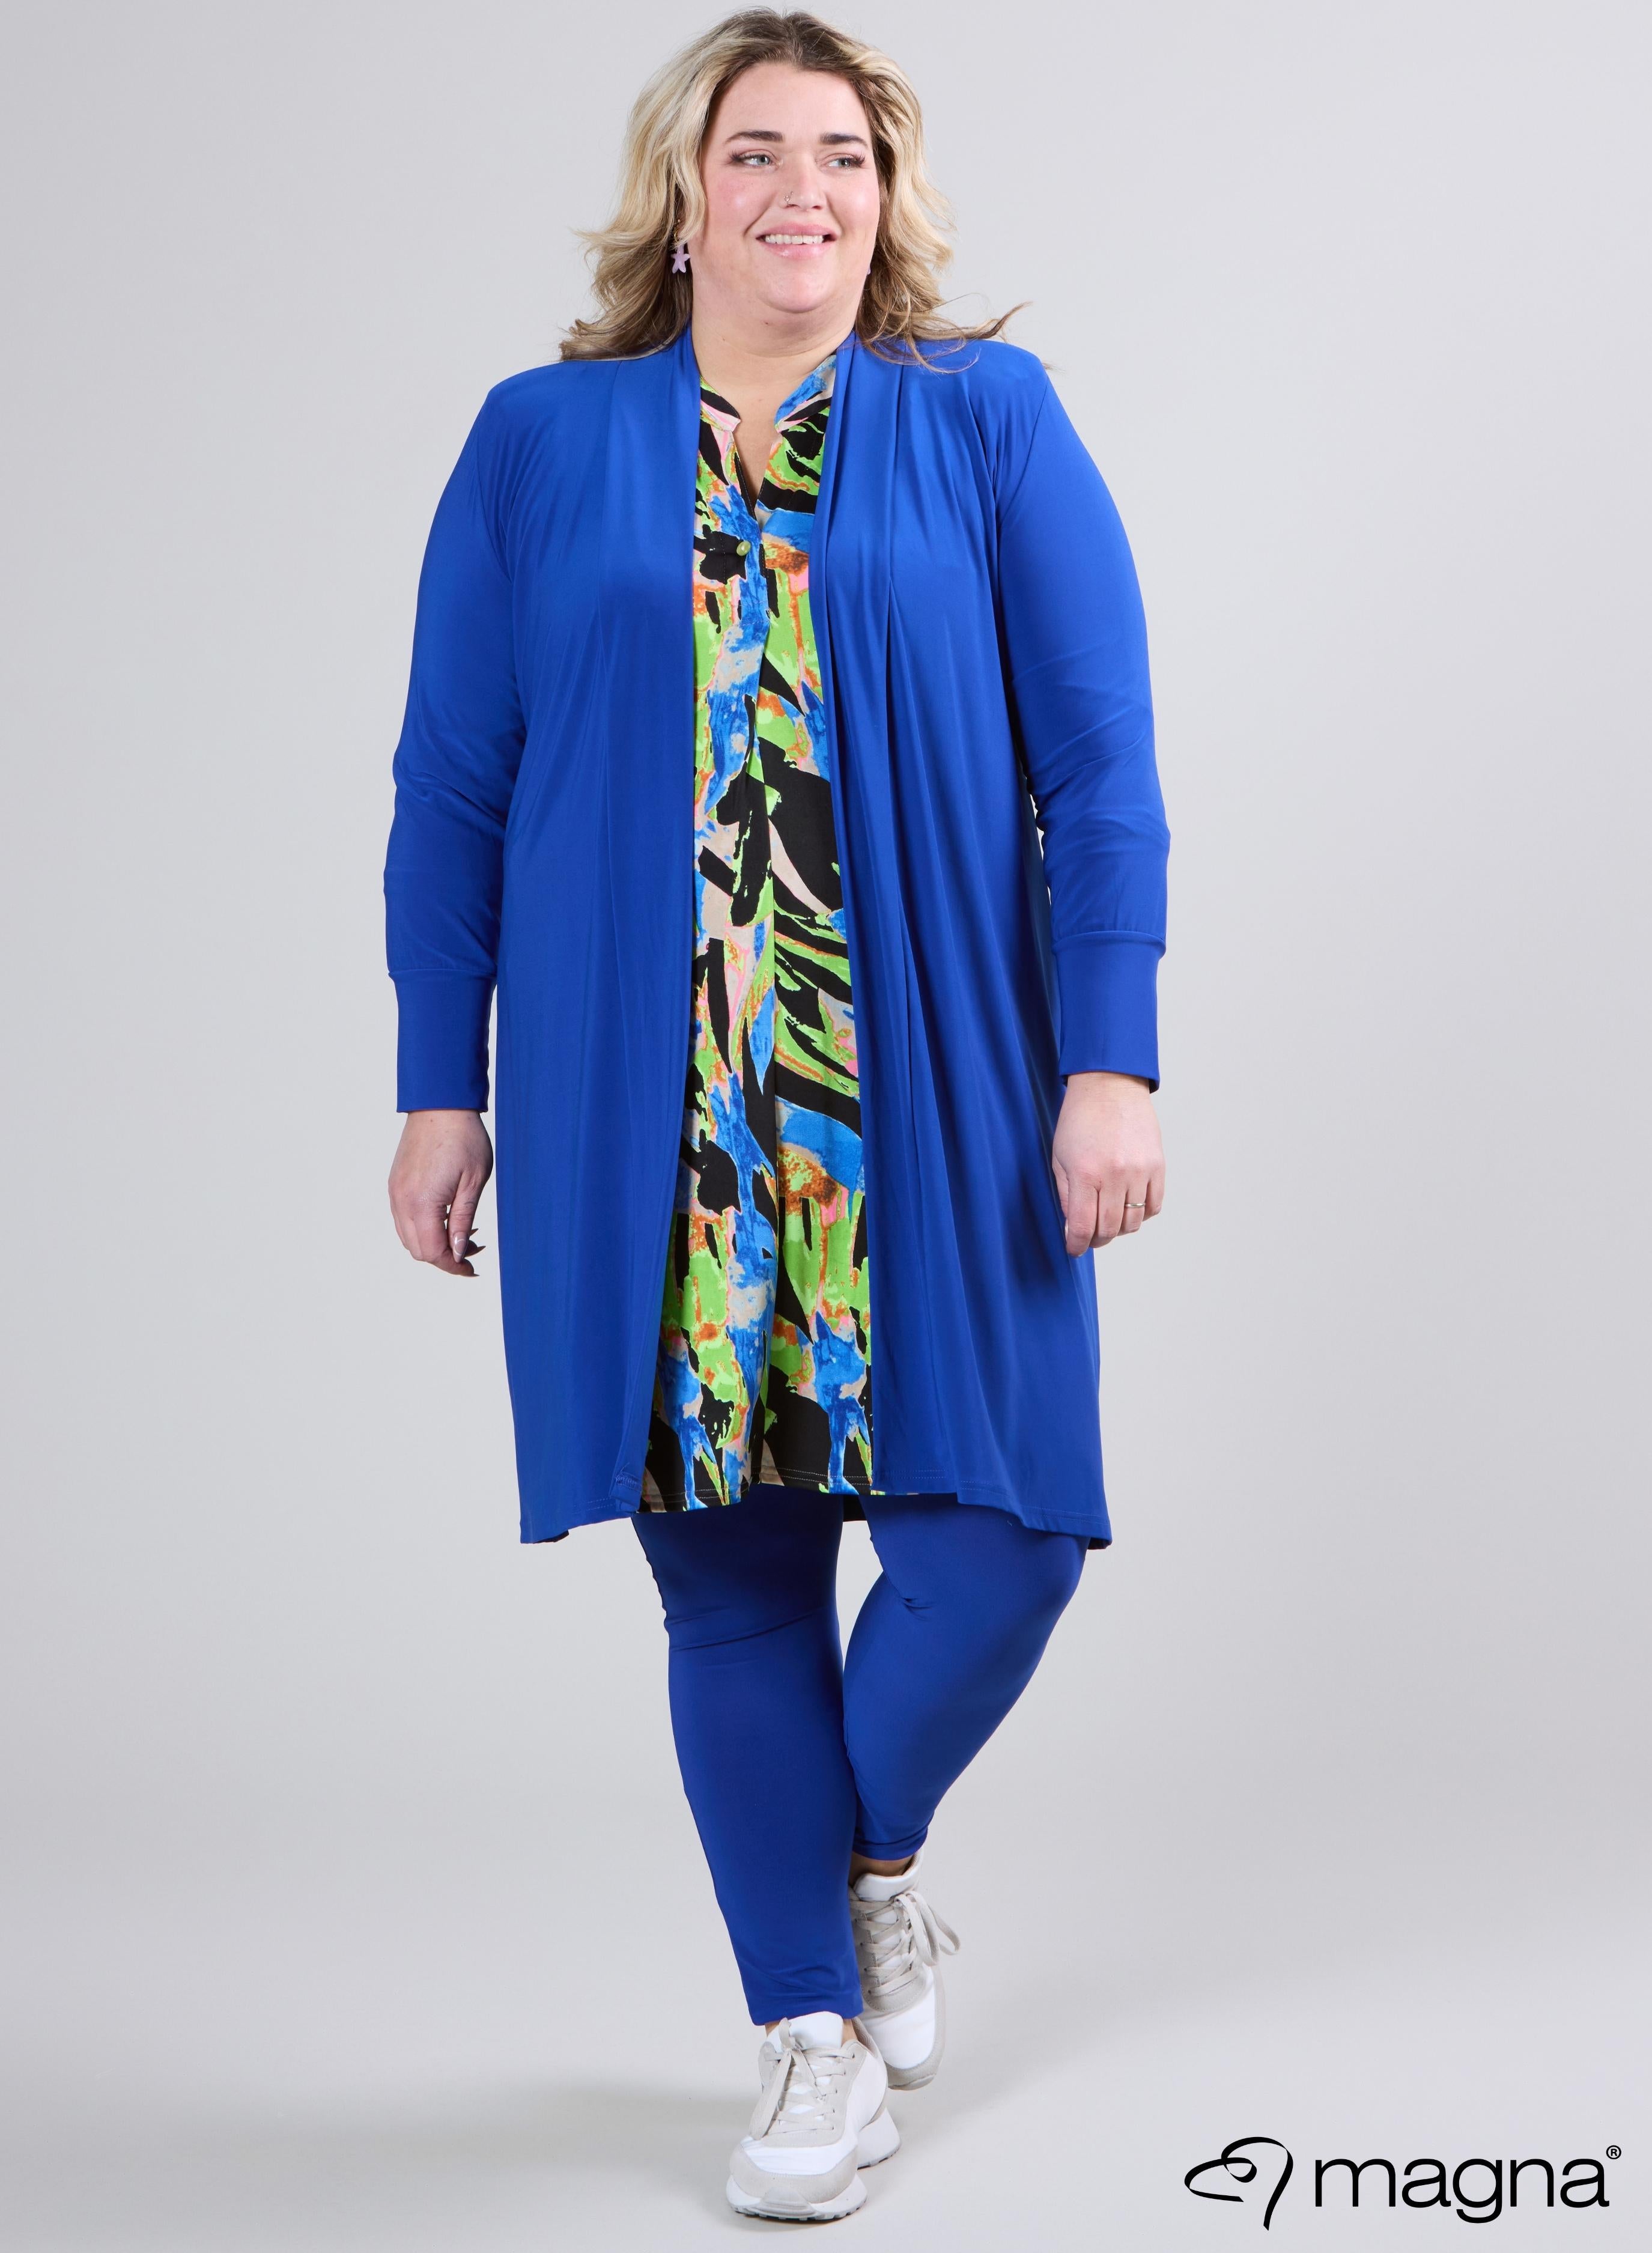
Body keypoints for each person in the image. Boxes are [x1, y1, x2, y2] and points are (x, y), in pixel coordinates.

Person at [384, 8, 1167, 2222]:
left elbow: (1100, 768)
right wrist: (441, 1084)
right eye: (756, 151)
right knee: (729, 1588)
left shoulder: (988, 421)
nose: (800, 189)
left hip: (938, 1085)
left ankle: (862, 1863)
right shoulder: (541, 442)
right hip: (649, 1105)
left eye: (843, 153)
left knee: (1004, 1547)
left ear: (886, 199)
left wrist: (1110, 1058)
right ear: (684, 194)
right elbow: (452, 789)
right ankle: (809, 2036)